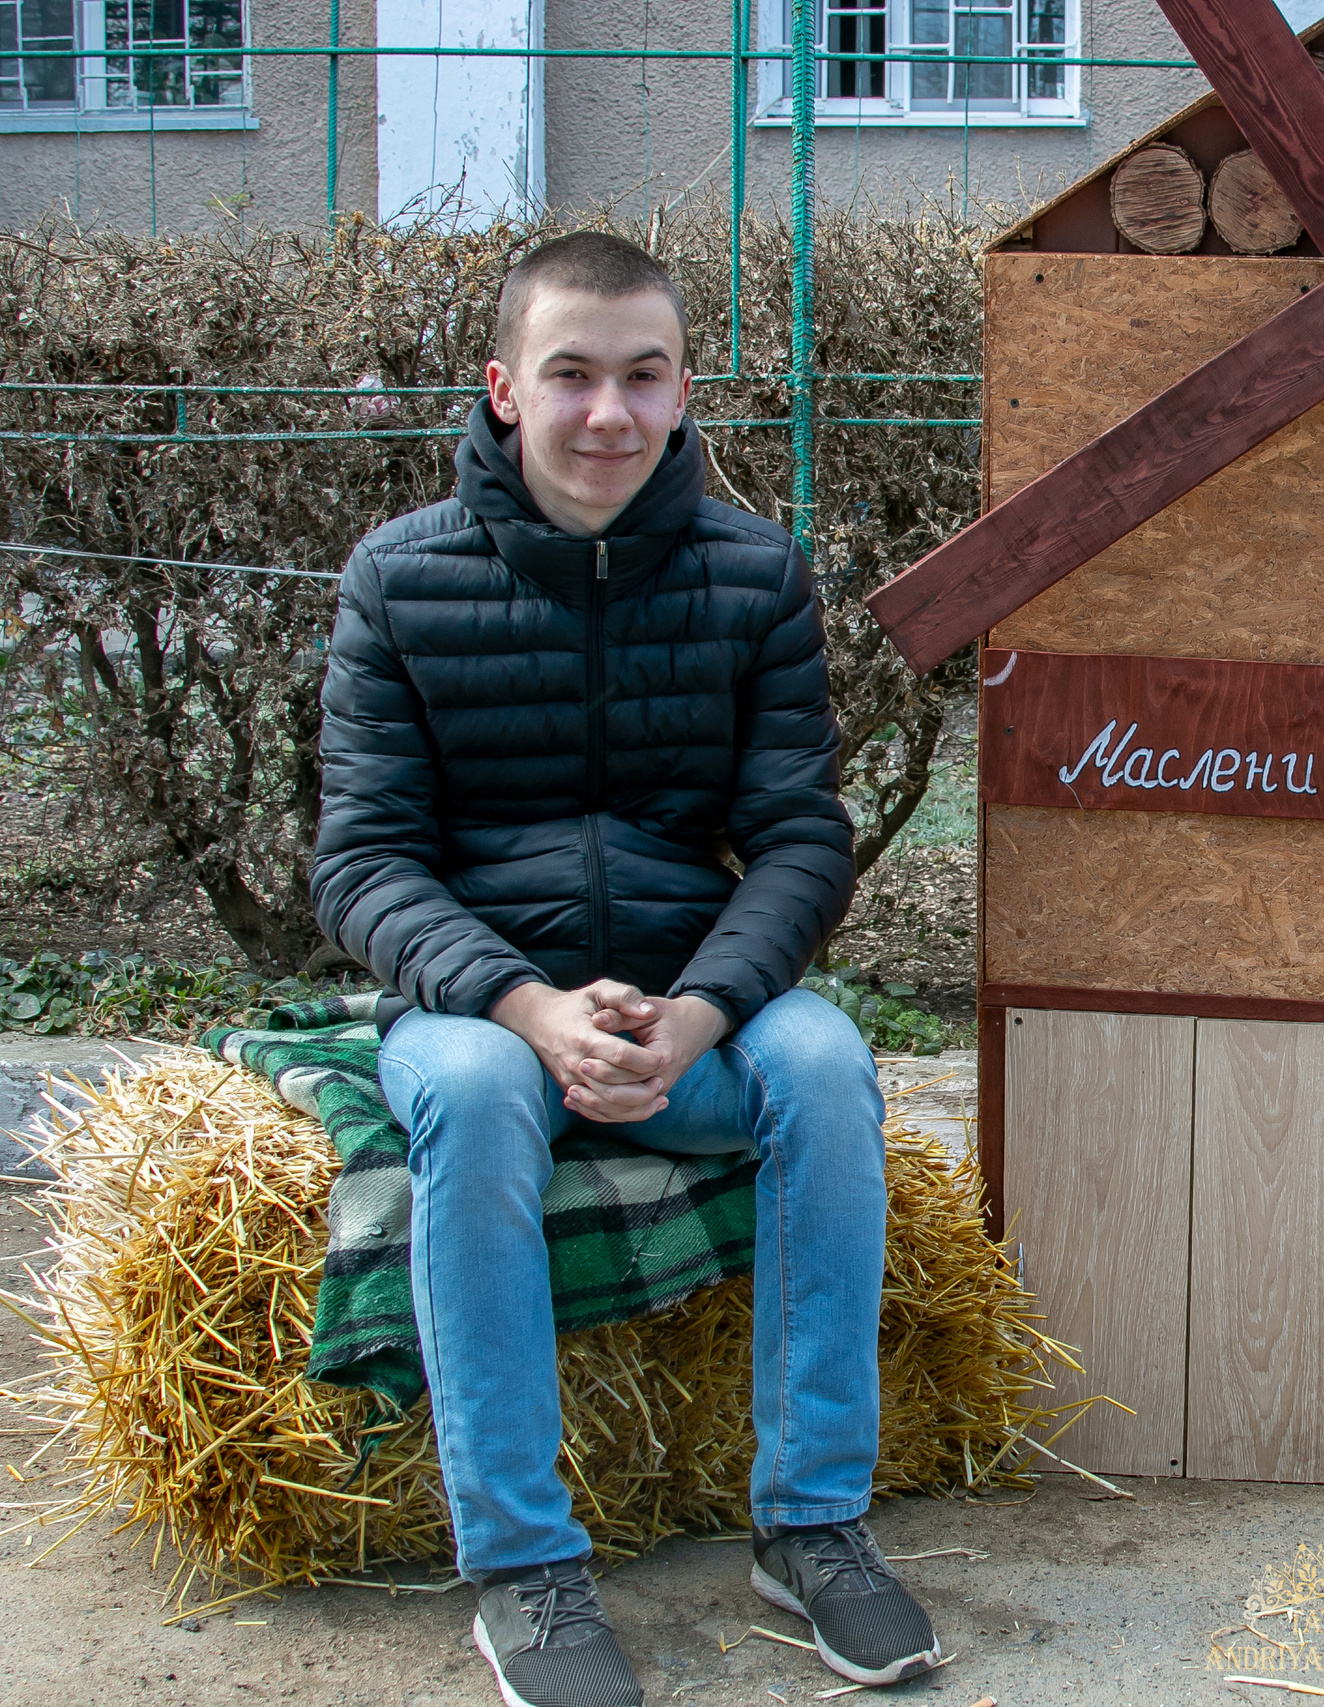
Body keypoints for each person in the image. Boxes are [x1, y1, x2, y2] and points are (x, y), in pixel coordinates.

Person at [312, 231, 943, 1707]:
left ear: (679, 392)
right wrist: (526, 1006)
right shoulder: (401, 581)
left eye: (642, 376)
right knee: (467, 1089)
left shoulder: (752, 574)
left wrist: (706, 1007)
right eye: (572, 375)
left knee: (826, 1060)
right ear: (504, 391)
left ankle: (813, 1527)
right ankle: (524, 1566)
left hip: (686, 1006)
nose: (609, 412)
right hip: (483, 1012)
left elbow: (799, 840)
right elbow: (363, 865)